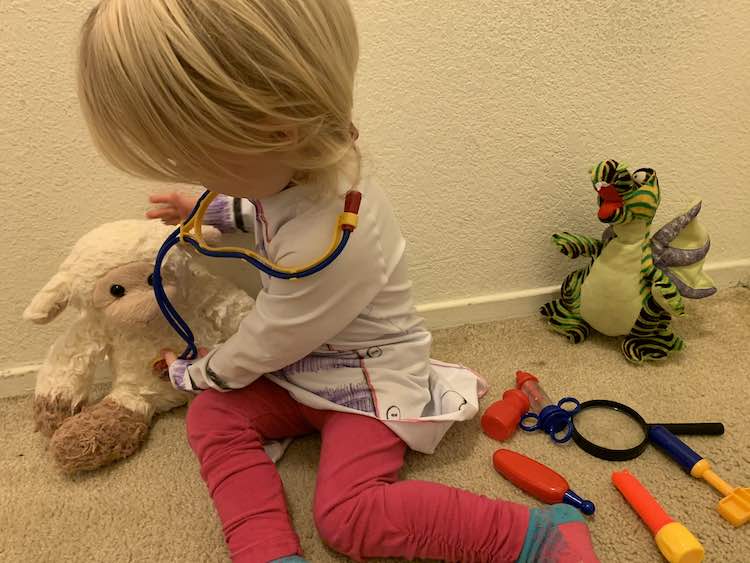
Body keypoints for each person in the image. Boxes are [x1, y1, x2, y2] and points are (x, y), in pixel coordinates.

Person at [77, 1, 599, 562]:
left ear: (276, 131)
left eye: (201, 164)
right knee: (213, 417)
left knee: (350, 519)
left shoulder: (328, 245)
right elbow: (270, 203)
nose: (195, 178)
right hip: (302, 368)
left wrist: (200, 370)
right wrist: (219, 210)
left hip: (364, 385)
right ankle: (266, 549)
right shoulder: (302, 165)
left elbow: (268, 340)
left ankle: (535, 534)